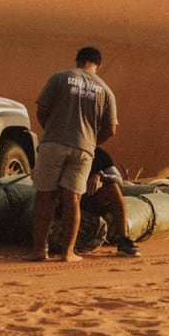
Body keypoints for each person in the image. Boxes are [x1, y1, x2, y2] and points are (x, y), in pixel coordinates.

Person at [26, 46, 117, 262]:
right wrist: (92, 141)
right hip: (83, 148)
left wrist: (50, 130)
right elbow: (111, 129)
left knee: (45, 196)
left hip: (53, 143)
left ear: (77, 60)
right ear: (99, 65)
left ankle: (39, 251)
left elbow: (41, 109)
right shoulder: (105, 89)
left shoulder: (60, 78)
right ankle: (68, 252)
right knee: (73, 198)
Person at [85, 147, 141, 257]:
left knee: (113, 188)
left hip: (91, 199)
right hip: (69, 198)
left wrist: (100, 176)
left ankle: (123, 240)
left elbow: (118, 178)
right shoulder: (63, 149)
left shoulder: (99, 154)